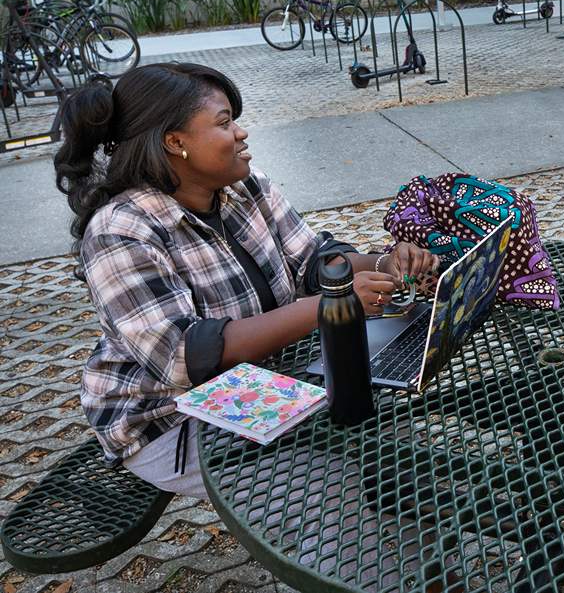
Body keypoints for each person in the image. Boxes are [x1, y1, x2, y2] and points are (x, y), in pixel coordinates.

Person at [53, 64, 438, 498]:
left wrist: (384, 263)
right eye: (223, 123)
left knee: (375, 415)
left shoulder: (243, 188)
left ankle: (401, 507)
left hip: (267, 379)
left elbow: (313, 259)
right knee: (321, 485)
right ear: (174, 142)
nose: (241, 133)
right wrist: (330, 305)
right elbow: (187, 356)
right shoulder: (122, 231)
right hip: (173, 418)